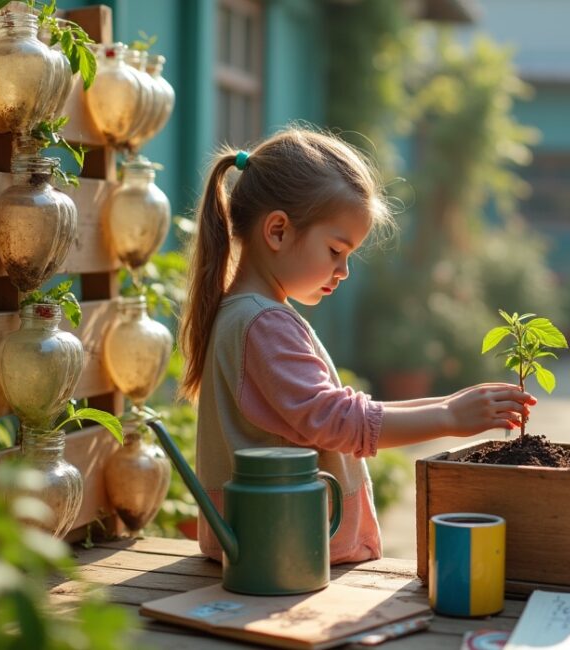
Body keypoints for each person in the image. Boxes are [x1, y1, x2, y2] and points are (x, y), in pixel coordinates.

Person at [180, 128, 537, 564]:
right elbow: (335, 420)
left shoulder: (242, 313)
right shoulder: (265, 322)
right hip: (288, 555)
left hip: (268, 547)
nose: (343, 270)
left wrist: (450, 401)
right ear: (277, 230)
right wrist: (446, 417)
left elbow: (335, 409)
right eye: (335, 250)